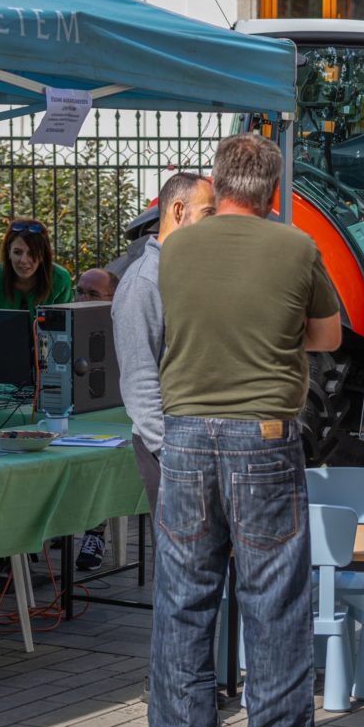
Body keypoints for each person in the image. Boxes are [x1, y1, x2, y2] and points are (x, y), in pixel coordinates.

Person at [150, 134, 342, 727]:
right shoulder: (295, 246)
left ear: (217, 181)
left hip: (182, 438)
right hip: (261, 437)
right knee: (274, 596)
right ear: (272, 189)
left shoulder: (174, 249)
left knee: (183, 592)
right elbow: (327, 335)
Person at [111, 173, 215, 526]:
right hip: (172, 447)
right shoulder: (143, 282)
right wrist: (171, 450)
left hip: (200, 440)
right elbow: (139, 379)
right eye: (209, 214)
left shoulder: (193, 272)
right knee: (182, 564)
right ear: (178, 210)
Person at [73, 267, 121, 571]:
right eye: (80, 291)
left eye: (93, 294)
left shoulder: (122, 327)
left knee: (100, 463)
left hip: (112, 415)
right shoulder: (62, 322)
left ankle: (95, 532)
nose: (82, 298)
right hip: (70, 411)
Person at [0, 218, 71, 320]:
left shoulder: (60, 279)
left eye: (32, 253)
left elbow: (64, 327)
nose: (24, 260)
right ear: (9, 252)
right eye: (17, 252)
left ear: (42, 255)